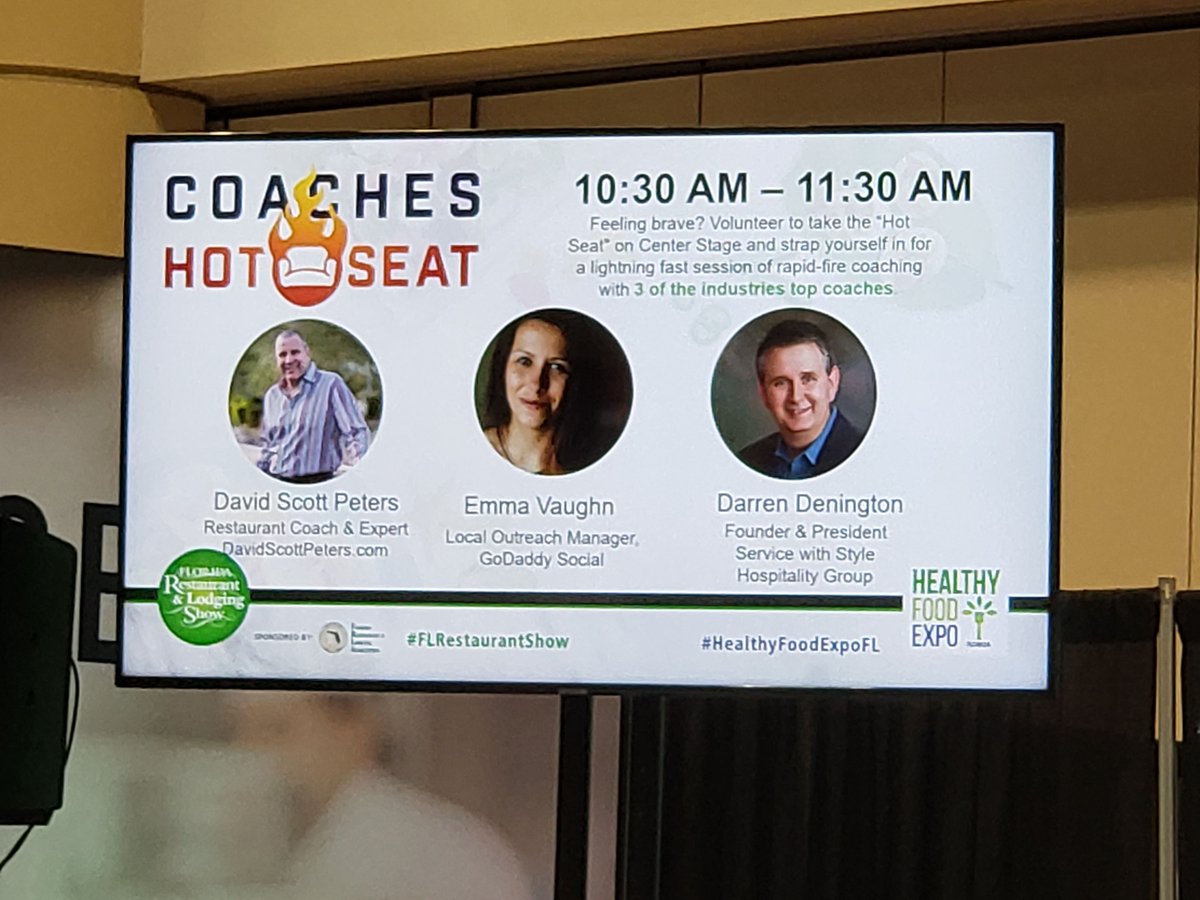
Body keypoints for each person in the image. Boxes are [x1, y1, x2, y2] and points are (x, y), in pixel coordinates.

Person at [226, 692, 536, 900]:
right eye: (243, 733)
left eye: (276, 729)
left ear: (355, 727)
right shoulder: (286, 838)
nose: (253, 752)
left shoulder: (426, 845)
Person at [738, 319, 865, 479]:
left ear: (832, 384)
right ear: (763, 393)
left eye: (808, 379)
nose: (796, 397)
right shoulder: (746, 461)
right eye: (780, 383)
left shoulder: (866, 455)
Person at [257, 329, 370, 483]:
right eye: (282, 355)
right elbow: (268, 445)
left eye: (295, 352)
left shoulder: (330, 384)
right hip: (278, 483)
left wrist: (361, 476)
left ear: (307, 353)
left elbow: (356, 433)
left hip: (318, 484)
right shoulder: (273, 395)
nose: (289, 360)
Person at [481, 311, 580, 475]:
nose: (537, 384)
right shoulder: (470, 448)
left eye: (556, 367)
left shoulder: (583, 472)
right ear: (502, 369)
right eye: (524, 361)